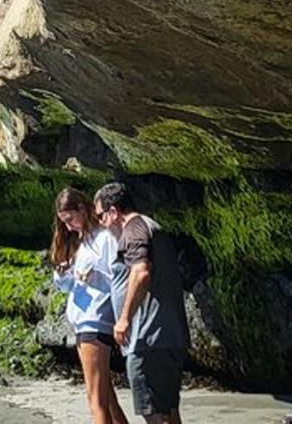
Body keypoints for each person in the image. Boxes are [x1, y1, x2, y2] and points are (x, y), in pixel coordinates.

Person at [94, 182, 191, 424]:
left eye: (100, 216)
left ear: (113, 211)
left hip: (148, 338)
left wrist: (124, 318)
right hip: (167, 336)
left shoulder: (134, 229)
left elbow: (141, 272)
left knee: (156, 415)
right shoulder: (151, 226)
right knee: (168, 412)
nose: (101, 224)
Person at [51, 187, 129, 424]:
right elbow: (67, 285)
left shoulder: (105, 238)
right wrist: (68, 272)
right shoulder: (84, 241)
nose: (68, 226)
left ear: (82, 209)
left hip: (95, 321)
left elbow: (116, 276)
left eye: (70, 219)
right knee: (107, 396)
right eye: (64, 222)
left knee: (96, 399)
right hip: (84, 321)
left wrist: (92, 274)